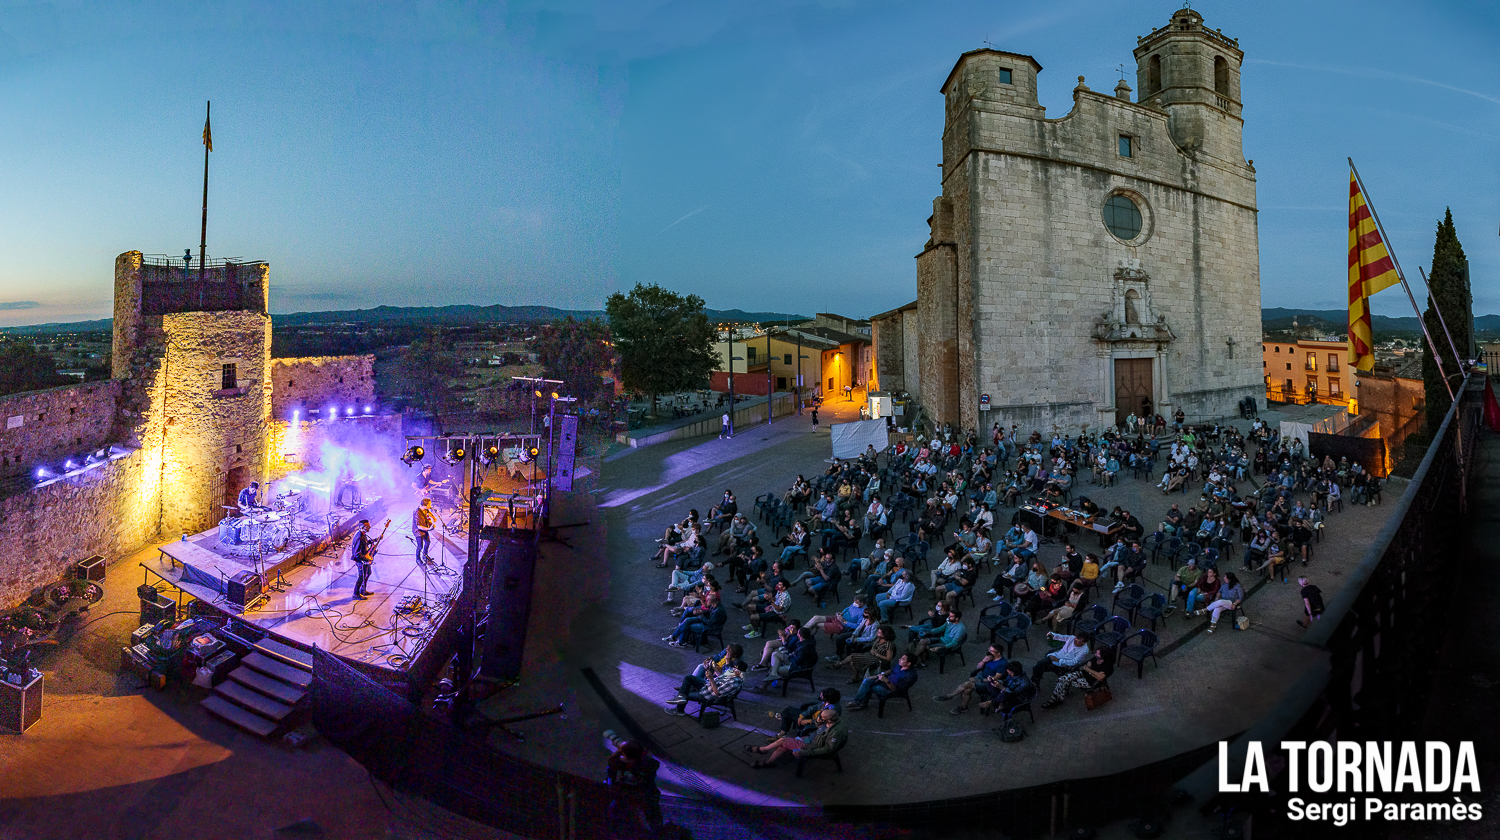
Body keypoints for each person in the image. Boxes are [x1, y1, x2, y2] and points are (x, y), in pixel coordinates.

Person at [745, 707, 846, 768]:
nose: (819, 719)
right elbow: (819, 726)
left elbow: (828, 749)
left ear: (828, 720)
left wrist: (804, 752)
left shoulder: (835, 733)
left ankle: (764, 749)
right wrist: (817, 721)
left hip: (812, 746)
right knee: (782, 746)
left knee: (783, 740)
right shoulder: (833, 719)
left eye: (821, 718)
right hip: (810, 739)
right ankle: (768, 762)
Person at [605, 737, 662, 834]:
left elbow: (611, 778)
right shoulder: (648, 764)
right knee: (652, 815)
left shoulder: (615, 762)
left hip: (629, 795)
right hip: (633, 795)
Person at [1041, 644, 1115, 708]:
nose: (1096, 654)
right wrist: (1094, 673)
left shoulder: (1108, 666)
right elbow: (1086, 667)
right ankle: (1057, 698)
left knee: (1068, 681)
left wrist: (1089, 671)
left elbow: (1100, 677)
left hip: (1090, 681)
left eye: (1098, 654)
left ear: (1103, 656)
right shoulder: (1095, 659)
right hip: (1083, 674)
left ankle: (1057, 698)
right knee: (1062, 679)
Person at [666, 658, 744, 716]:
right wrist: (711, 667)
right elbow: (720, 675)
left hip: (708, 695)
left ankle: (679, 710)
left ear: (738, 671)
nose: (730, 669)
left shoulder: (734, 683)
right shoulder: (732, 674)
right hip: (707, 685)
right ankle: (681, 696)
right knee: (689, 677)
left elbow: (716, 692)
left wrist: (711, 679)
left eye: (733, 668)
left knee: (686, 692)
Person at [846, 653, 918, 711]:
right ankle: (858, 702)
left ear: (908, 663)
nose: (899, 659)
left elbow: (896, 689)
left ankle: (861, 704)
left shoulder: (909, 676)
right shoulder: (899, 665)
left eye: (902, 659)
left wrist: (886, 681)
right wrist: (880, 675)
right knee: (867, 681)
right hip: (885, 681)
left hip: (890, 689)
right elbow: (891, 670)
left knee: (869, 687)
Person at [350, 519, 377, 600]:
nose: (369, 527)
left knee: (368, 573)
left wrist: (375, 540)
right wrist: (366, 558)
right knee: (361, 576)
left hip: (364, 559)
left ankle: (363, 590)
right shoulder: (359, 537)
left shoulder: (363, 534)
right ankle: (356, 594)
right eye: (367, 526)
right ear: (362, 527)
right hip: (360, 561)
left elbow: (365, 543)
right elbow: (357, 554)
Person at [412, 498, 436, 565]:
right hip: (418, 531)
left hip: (424, 529)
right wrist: (429, 529)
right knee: (420, 546)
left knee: (428, 542)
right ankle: (417, 559)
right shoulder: (417, 513)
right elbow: (419, 526)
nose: (430, 505)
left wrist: (433, 517)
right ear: (425, 505)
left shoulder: (425, 509)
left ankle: (425, 555)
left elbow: (429, 512)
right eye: (429, 504)